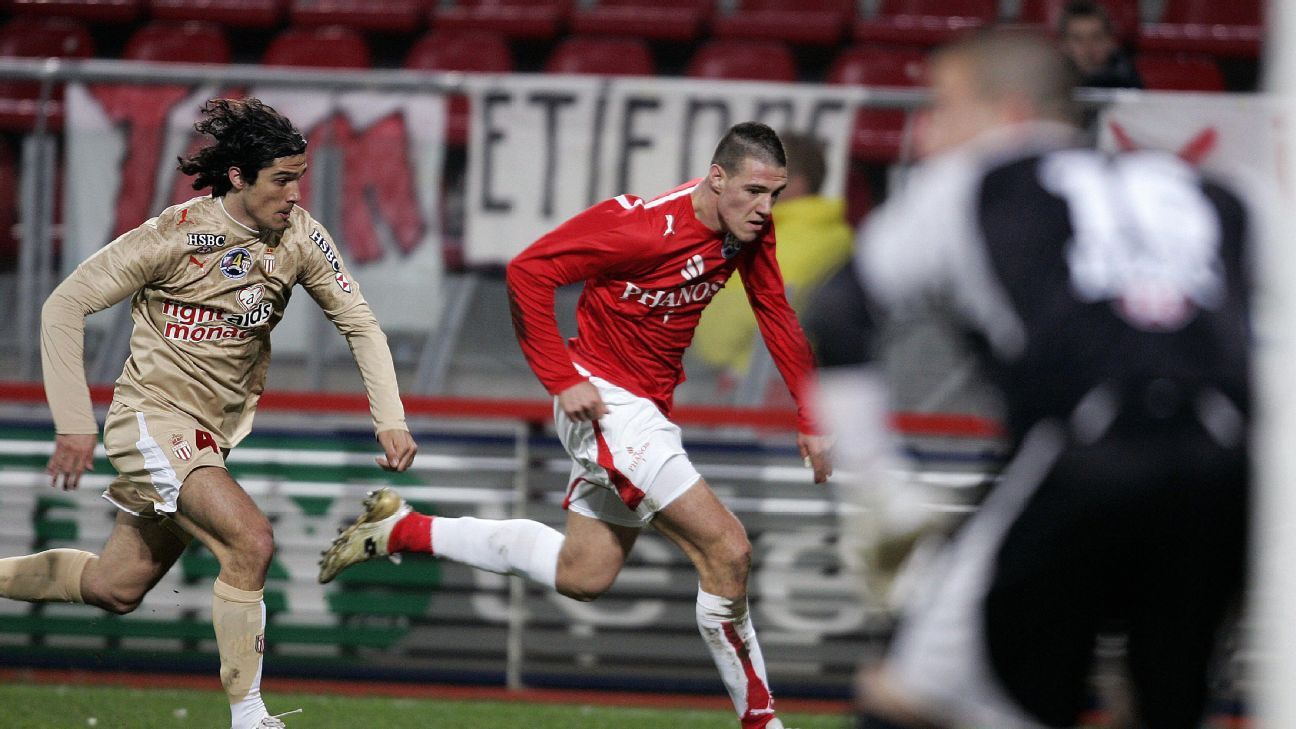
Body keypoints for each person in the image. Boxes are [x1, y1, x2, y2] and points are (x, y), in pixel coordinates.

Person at [319, 122, 832, 729]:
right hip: (605, 402)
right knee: (728, 548)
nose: (765, 208)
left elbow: (774, 310)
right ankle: (761, 721)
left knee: (584, 575)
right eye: (753, 191)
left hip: (647, 410)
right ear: (716, 178)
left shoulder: (749, 232)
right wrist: (562, 378)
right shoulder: (638, 226)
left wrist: (809, 412)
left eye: (775, 193)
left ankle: (403, 531)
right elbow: (529, 271)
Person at [807, 29, 1250, 729]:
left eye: (943, 106)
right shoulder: (1210, 188)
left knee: (912, 694)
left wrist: (878, 485)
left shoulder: (979, 176)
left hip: (1083, 451)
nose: (925, 130)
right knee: (1165, 699)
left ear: (1010, 113)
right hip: (1228, 468)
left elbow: (838, 313)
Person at [0, 98, 418, 729]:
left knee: (116, 588)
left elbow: (359, 323)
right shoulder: (175, 235)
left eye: (299, 177)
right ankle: (249, 717)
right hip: (153, 419)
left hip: (206, 439)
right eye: (281, 179)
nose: (294, 193)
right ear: (237, 177)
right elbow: (64, 304)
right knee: (251, 541)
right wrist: (74, 422)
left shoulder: (300, 238)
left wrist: (390, 416)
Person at [692, 131, 853, 388]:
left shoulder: (780, 243)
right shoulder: (836, 234)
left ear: (795, 184)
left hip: (746, 388)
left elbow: (718, 341)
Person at [1057, 0, 1142, 89]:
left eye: (1096, 37)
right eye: (1078, 39)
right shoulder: (1049, 83)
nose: (1088, 48)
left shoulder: (1127, 79)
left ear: (1110, 41)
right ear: (1063, 45)